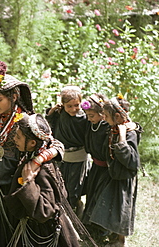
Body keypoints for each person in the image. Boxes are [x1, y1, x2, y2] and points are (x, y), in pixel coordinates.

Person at [0, 61, 63, 247]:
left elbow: (57, 145)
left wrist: (37, 161)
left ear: (13, 97)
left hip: (9, 193)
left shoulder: (25, 122)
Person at [3, 112, 83, 247]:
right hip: (33, 228)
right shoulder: (31, 155)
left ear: (32, 142)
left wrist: (29, 183)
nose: (14, 139)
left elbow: (44, 211)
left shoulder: (44, 169)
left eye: (18, 136)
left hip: (44, 232)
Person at [89, 95, 142, 247]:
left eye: (106, 116)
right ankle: (112, 236)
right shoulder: (113, 128)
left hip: (124, 178)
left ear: (117, 116)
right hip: (114, 175)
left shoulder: (129, 133)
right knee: (114, 207)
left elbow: (132, 161)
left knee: (123, 209)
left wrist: (123, 140)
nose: (103, 118)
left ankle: (120, 240)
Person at [46, 86, 89, 217]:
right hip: (62, 155)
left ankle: (74, 212)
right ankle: (62, 213)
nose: (73, 109)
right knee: (60, 184)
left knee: (74, 187)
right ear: (62, 105)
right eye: (69, 106)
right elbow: (48, 123)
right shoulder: (60, 115)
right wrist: (52, 111)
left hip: (78, 156)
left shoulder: (85, 117)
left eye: (76, 105)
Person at [80, 93, 111, 244]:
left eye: (92, 115)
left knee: (100, 197)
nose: (89, 118)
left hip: (106, 170)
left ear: (102, 114)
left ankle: (102, 231)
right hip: (95, 167)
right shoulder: (91, 124)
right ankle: (90, 225)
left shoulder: (106, 128)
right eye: (87, 115)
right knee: (91, 194)